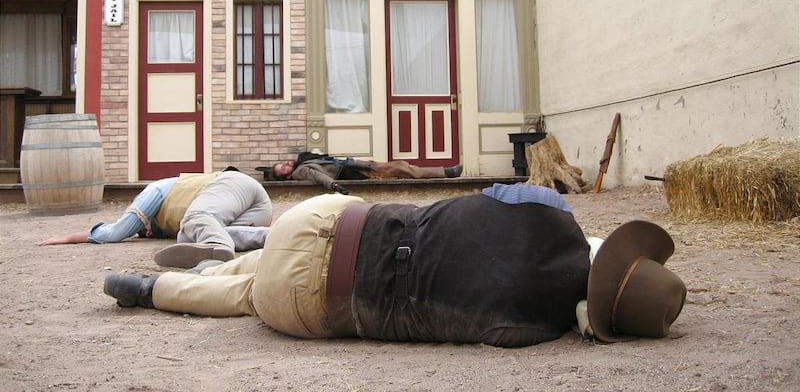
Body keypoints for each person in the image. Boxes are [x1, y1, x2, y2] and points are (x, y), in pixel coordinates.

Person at [102, 184, 686, 347]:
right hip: (311, 307)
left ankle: (223, 258)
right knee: (251, 299)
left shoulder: (549, 211)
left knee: (274, 253)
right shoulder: (531, 331)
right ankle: (156, 289)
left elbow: (497, 196)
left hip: (323, 222)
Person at [38, 167, 273, 269]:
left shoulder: (155, 190)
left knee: (195, 219)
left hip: (235, 184)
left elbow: (117, 231)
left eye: (141, 229)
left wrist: (70, 237)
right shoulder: (177, 225)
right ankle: (275, 236)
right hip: (255, 213)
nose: (145, 232)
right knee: (188, 235)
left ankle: (218, 247)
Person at [266, 151, 463, 194]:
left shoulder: (303, 160)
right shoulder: (301, 171)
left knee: (400, 167)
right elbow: (319, 176)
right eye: (282, 169)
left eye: (282, 164)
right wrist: (334, 185)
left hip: (353, 165)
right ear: (287, 176)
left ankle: (444, 172)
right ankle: (446, 173)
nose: (285, 164)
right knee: (400, 168)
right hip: (351, 173)